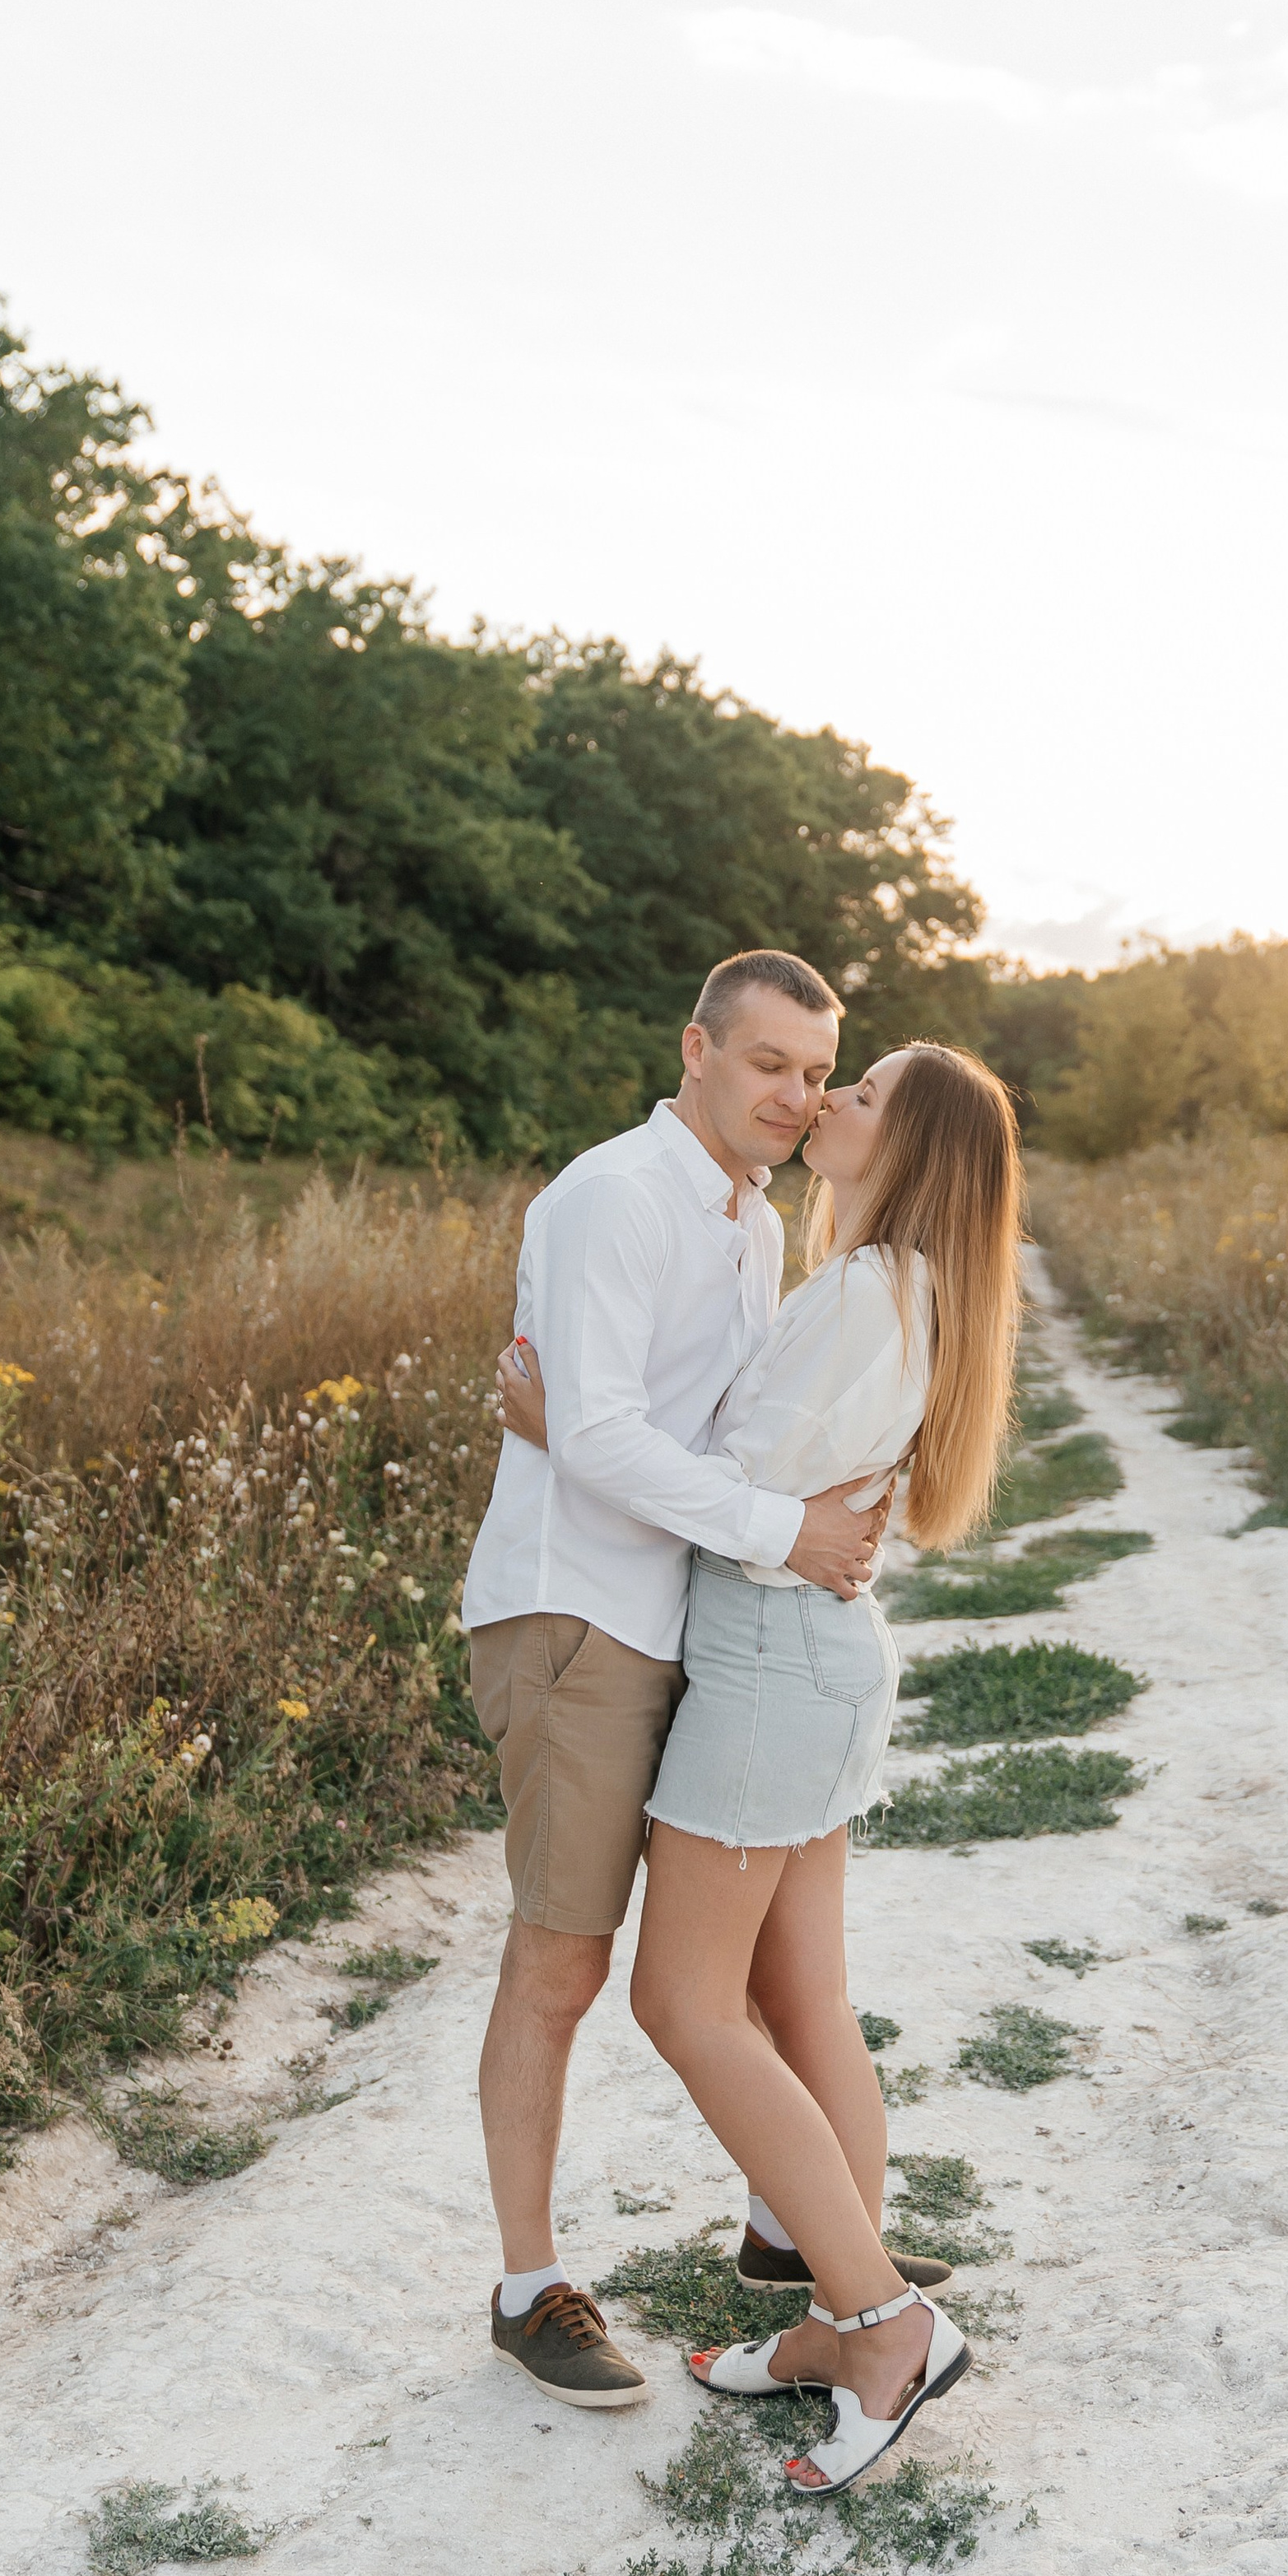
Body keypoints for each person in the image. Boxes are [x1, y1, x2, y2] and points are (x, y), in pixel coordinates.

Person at [462, 949, 899, 2411]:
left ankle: (805, 2234)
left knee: (754, 1962)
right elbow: (600, 1434)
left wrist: (802, 1510)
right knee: (563, 1961)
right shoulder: (616, 1197)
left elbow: (705, 1431)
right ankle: (528, 2290)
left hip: (696, 1621)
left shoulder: (753, 1224)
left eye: (817, 1073)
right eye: (768, 1062)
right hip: (579, 1617)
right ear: (697, 1049)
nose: (796, 1095)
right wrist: (786, 1529)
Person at [629, 1041, 1024, 2496]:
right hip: (809, 1660)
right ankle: (832, 2316)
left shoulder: (869, 1290)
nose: (832, 1101)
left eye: (864, 1096)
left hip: (770, 1665)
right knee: (800, 2000)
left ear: (910, 1149)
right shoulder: (900, 1287)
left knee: (683, 2000)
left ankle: (883, 2324)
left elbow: (744, 1488)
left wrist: (572, 1431)